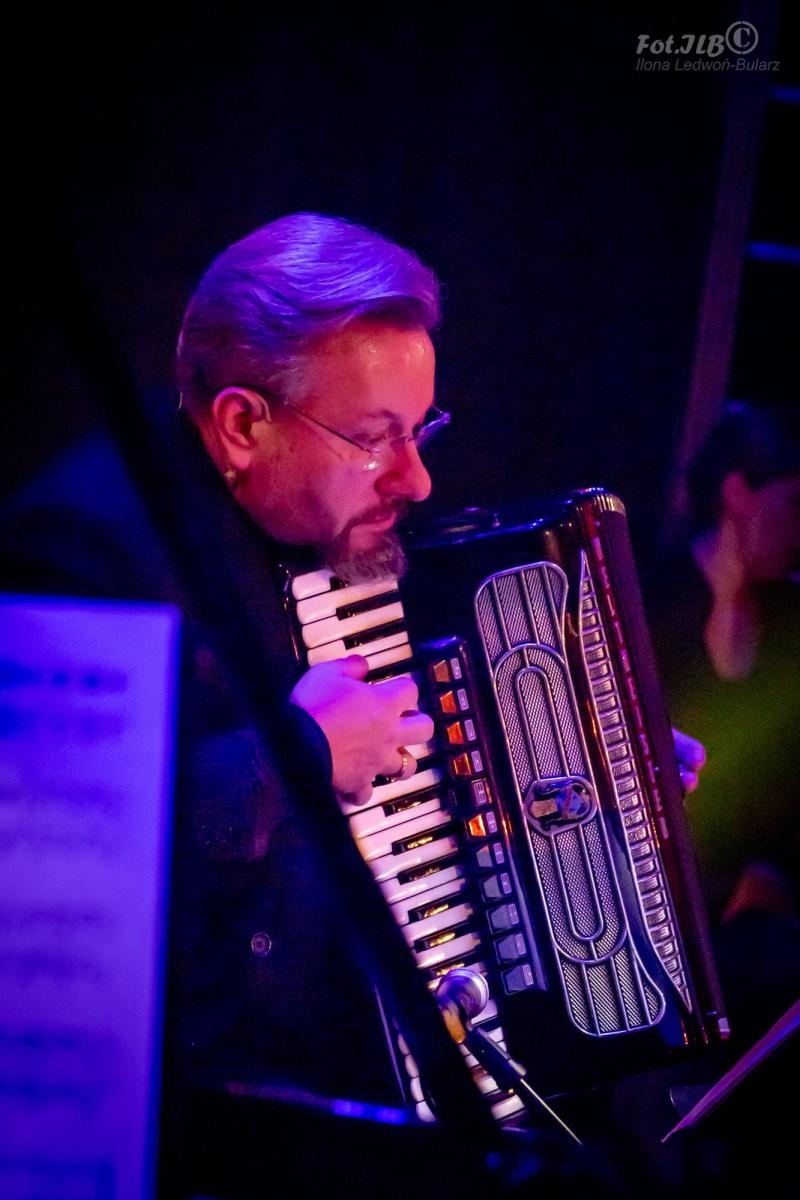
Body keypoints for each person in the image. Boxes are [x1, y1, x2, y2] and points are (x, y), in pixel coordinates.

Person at [1, 212, 708, 1195]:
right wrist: (294, 753)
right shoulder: (79, 549)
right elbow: (45, 878)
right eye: (374, 441)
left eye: (420, 433)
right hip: (193, 1125)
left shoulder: (316, 531)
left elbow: (412, 752)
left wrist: (595, 766)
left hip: (344, 1070)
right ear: (242, 425)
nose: (414, 480)